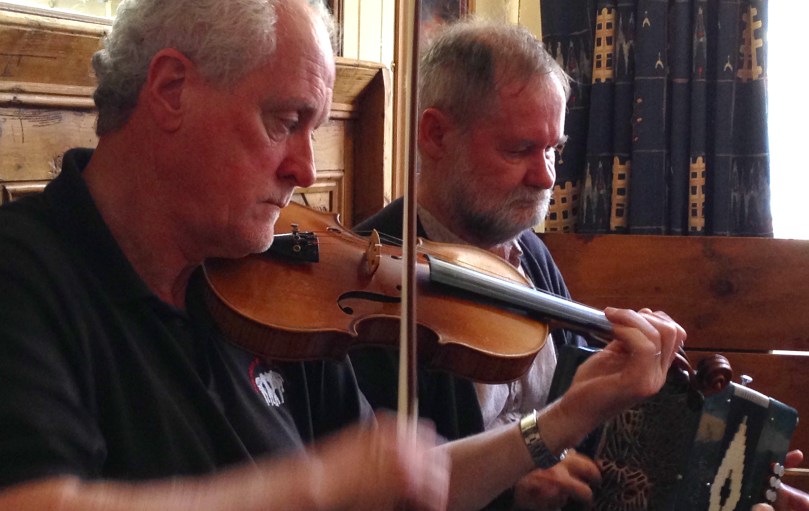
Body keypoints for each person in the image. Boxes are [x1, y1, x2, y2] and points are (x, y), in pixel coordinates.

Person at [0, 0, 689, 510]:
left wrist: (572, 411)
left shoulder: (264, 280)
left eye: (316, 127)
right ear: (172, 90)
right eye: (285, 121)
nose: (305, 166)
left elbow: (415, 483)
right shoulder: (27, 272)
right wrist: (317, 484)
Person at [351, 19, 809, 511]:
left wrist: (725, 481)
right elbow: (375, 487)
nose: (546, 175)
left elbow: (588, 433)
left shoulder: (532, 255)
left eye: (554, 149)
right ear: (436, 135)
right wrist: (509, 491)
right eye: (520, 149)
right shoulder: (369, 283)